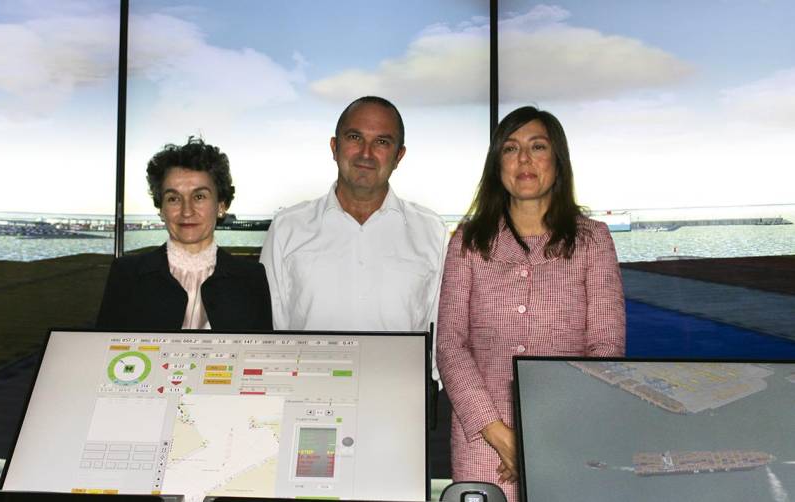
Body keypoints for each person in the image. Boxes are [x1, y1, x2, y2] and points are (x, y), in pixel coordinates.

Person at [436, 106, 625, 501]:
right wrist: (500, 433)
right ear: (497, 165)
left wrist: (542, 430)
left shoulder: (593, 240)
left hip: (568, 432)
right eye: (510, 148)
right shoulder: (468, 241)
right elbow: (451, 345)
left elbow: (606, 348)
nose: (524, 159)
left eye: (537, 147)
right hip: (482, 441)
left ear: (557, 160)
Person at [260, 96, 448, 332]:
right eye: (355, 137)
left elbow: (441, 336)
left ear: (399, 156)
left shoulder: (433, 233)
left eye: (381, 141)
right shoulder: (286, 228)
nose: (366, 153)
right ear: (334, 147)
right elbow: (268, 331)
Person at [97, 137, 272, 330]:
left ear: (221, 205)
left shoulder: (251, 279)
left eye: (199, 197)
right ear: (161, 209)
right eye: (173, 198)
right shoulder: (126, 275)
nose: (186, 211)